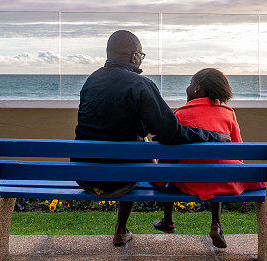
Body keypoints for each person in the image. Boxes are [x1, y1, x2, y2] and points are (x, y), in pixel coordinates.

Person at [75, 30, 230, 247]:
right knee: (138, 151)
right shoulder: (141, 85)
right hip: (121, 180)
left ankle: (124, 229)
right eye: (142, 55)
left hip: (86, 174)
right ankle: (120, 229)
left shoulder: (91, 82)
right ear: (134, 56)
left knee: (131, 146)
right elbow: (171, 132)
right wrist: (212, 136)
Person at [152, 68, 266, 248]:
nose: (187, 89)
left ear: (197, 88)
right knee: (217, 169)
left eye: (190, 84)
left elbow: (169, 155)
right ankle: (216, 224)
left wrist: (159, 179)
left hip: (189, 182)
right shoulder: (228, 113)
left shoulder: (181, 114)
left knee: (173, 171)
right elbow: (238, 151)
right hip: (223, 180)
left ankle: (168, 221)